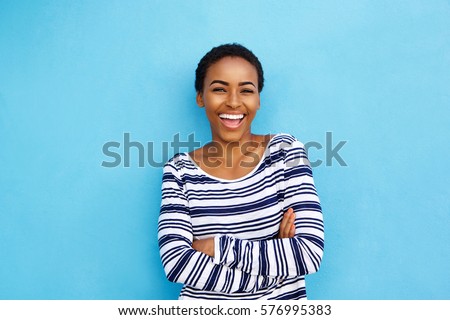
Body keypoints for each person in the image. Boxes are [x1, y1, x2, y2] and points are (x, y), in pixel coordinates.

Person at [158, 43, 324, 299]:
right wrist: (275, 269)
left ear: (258, 99)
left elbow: (309, 254)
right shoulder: (179, 170)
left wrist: (215, 246)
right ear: (201, 97)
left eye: (246, 90)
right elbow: (176, 263)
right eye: (219, 89)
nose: (234, 102)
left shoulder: (286, 152)